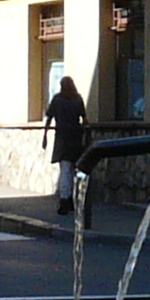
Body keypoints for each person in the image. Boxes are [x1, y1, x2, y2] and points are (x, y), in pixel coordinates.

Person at [45, 77, 91, 214]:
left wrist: (45, 136)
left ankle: (65, 199)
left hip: (62, 137)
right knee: (73, 170)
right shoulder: (78, 99)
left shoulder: (57, 99)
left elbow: (49, 118)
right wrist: (87, 135)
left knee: (65, 170)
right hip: (76, 137)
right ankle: (72, 198)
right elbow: (84, 118)